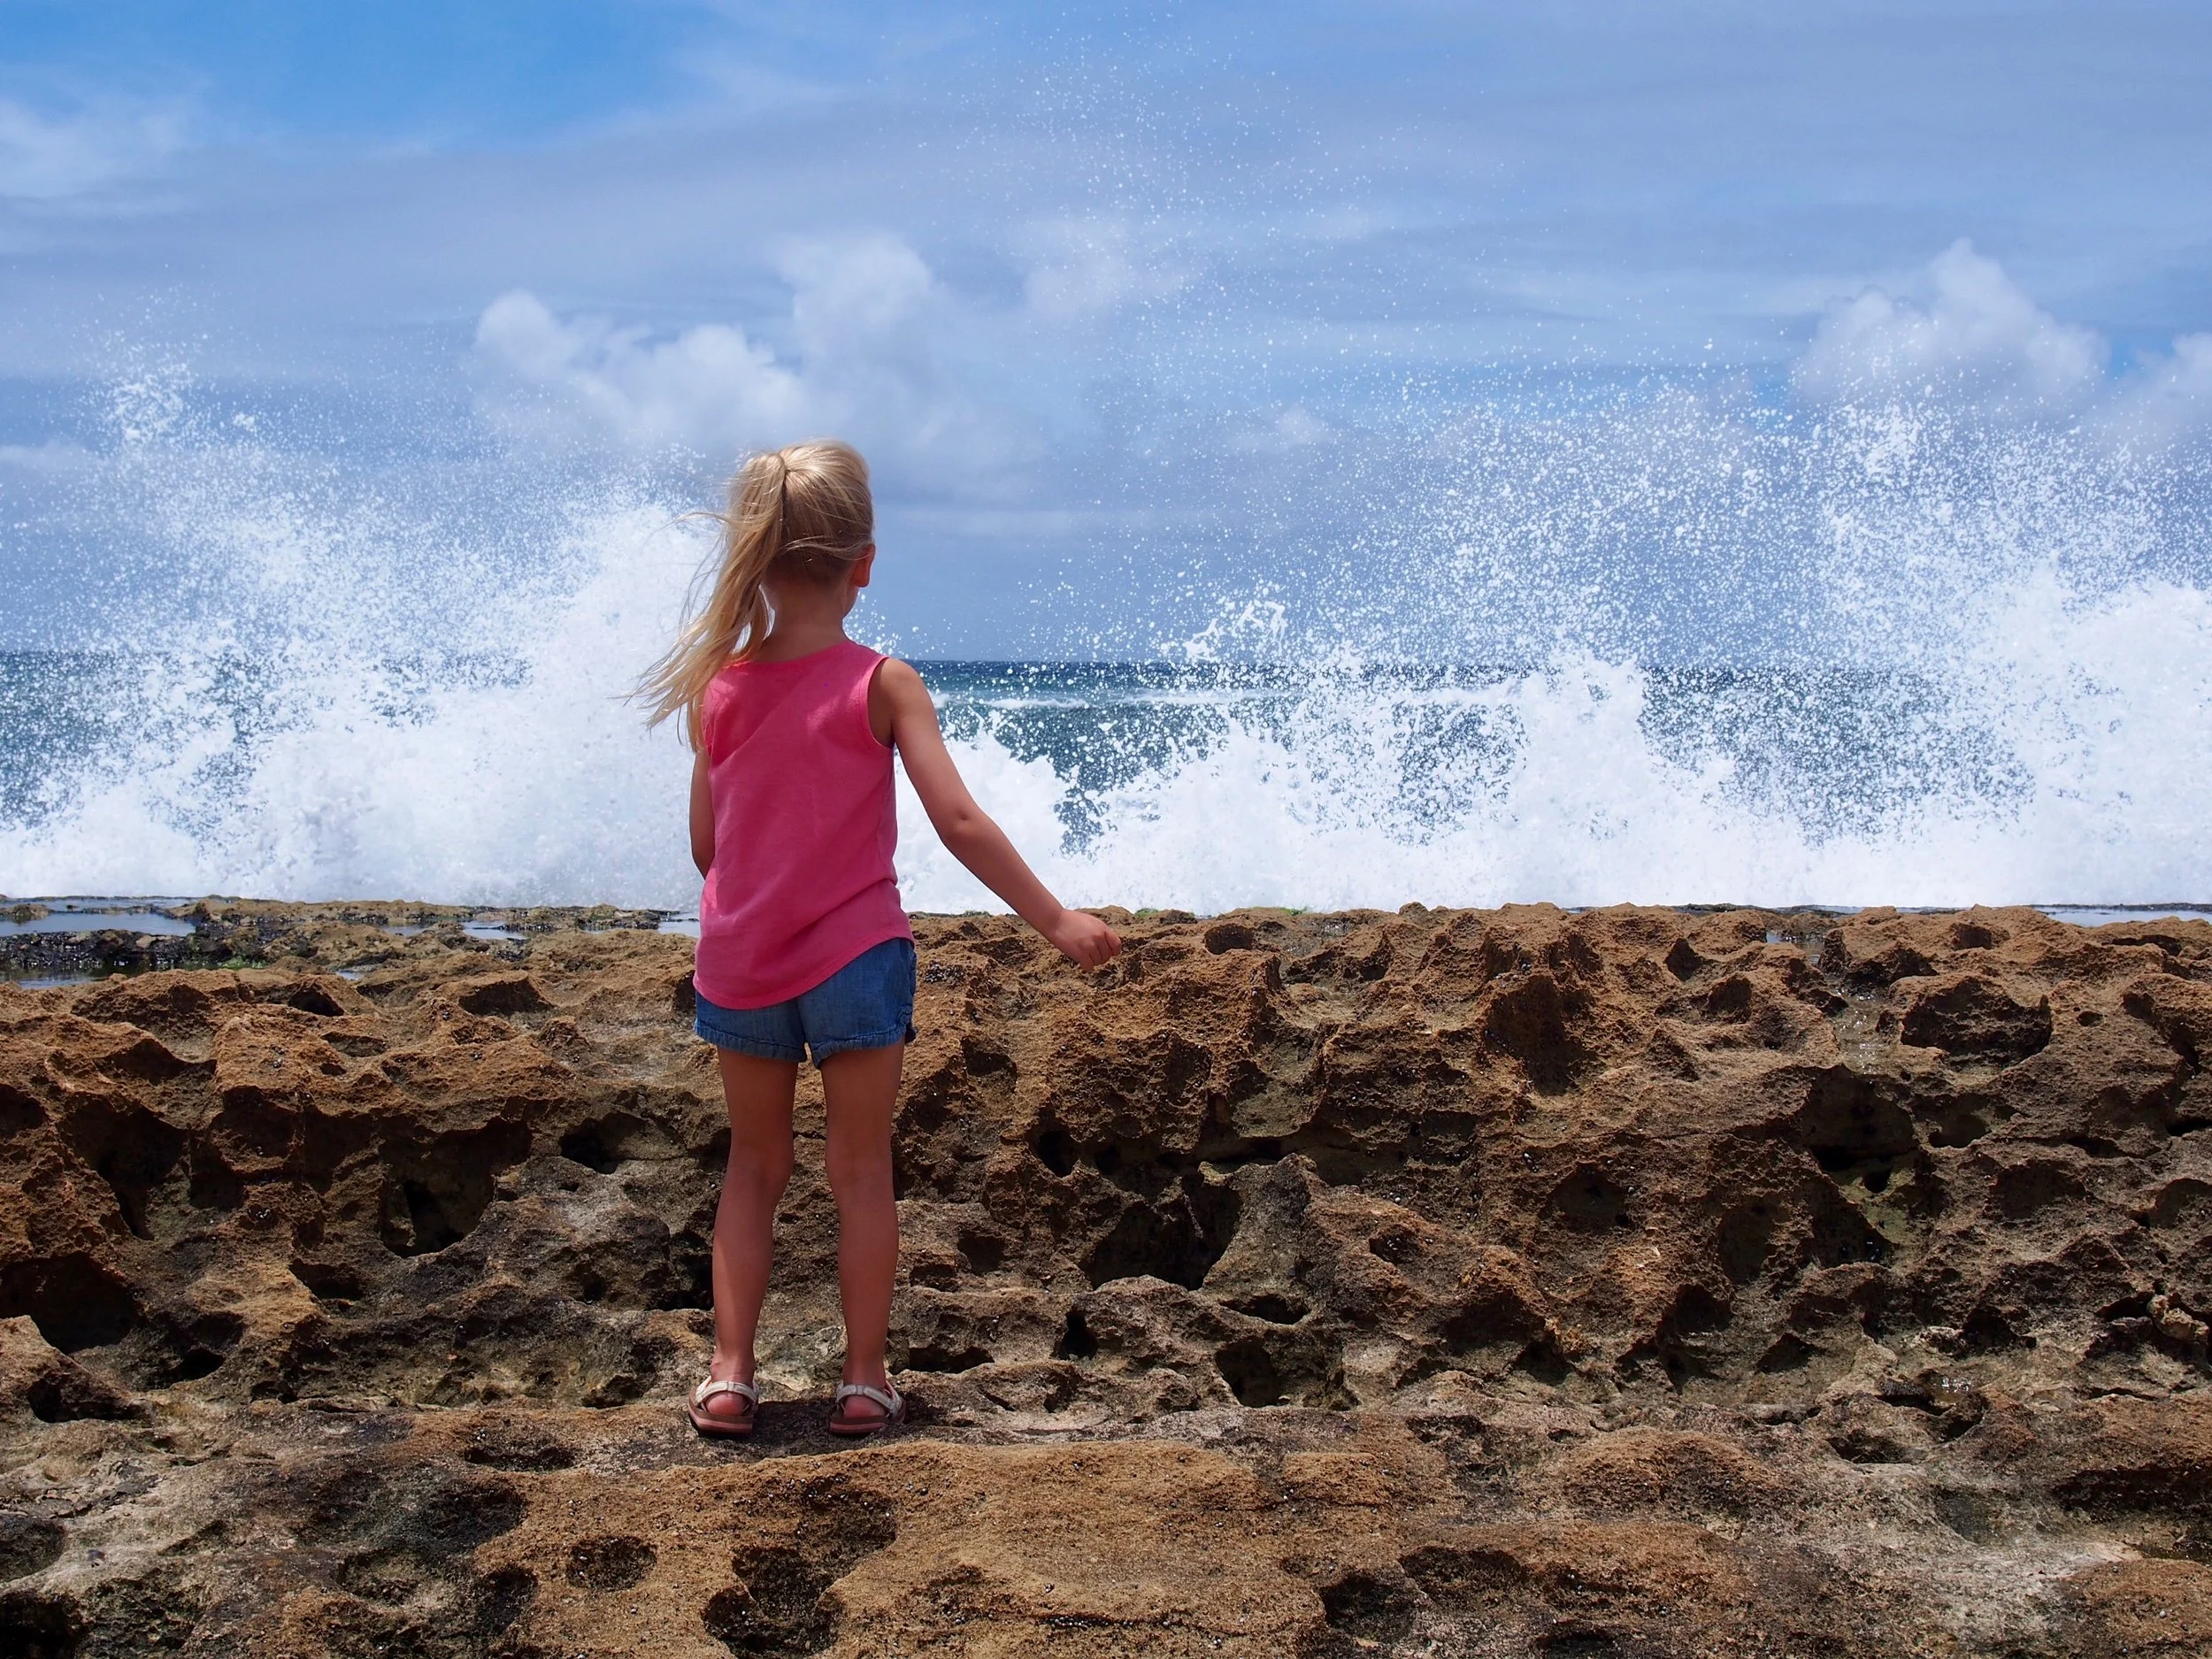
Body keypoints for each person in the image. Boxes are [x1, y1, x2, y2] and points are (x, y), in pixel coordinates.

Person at [636, 438, 1122, 1440]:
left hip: (742, 961)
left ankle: (731, 1375)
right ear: (865, 562)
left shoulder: (717, 688)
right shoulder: (882, 682)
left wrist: (758, 901)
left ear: (758, 560)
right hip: (857, 960)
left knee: (752, 1167)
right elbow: (960, 823)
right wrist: (1055, 919)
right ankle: (863, 1380)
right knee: (860, 1170)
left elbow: (705, 846)